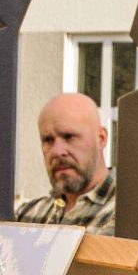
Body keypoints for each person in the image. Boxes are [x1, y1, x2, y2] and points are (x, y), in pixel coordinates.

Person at [16, 94, 116, 230]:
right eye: (48, 140)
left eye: (69, 137)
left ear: (101, 138)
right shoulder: (26, 217)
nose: (57, 151)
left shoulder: (131, 213)